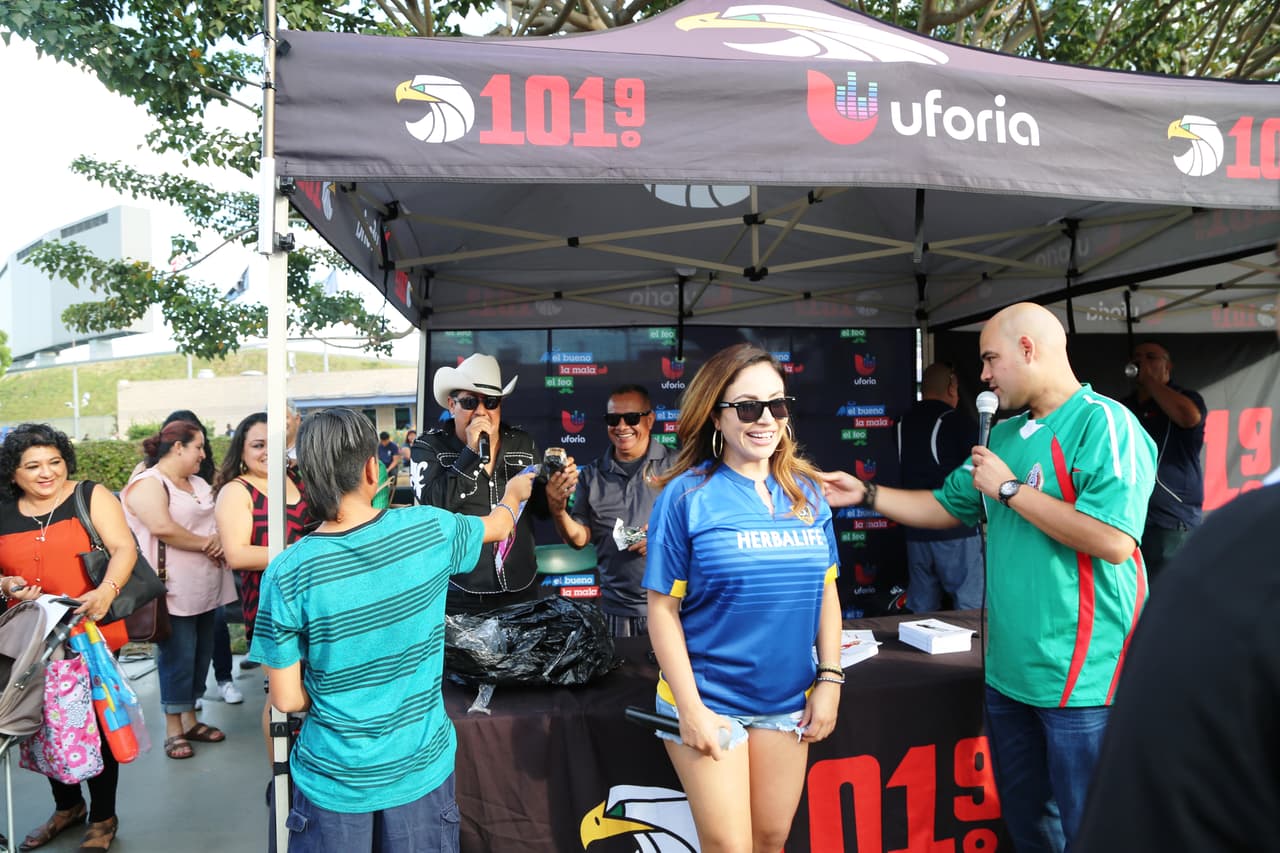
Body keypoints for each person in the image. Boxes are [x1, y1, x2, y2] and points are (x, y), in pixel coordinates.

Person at [820, 303, 1156, 853]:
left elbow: (1113, 540)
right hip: (1007, 678)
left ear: (1029, 349)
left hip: (1085, 685)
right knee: (1031, 829)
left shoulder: (1105, 422)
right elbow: (945, 506)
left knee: (1095, 830)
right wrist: (867, 493)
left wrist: (1009, 491)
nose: (983, 375)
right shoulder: (1003, 438)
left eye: (990, 359)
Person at [247, 407, 534, 852]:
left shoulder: (287, 571)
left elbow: (284, 699)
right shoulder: (427, 528)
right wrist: (514, 492)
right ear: (370, 468)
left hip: (334, 780)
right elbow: (499, 526)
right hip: (419, 769)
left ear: (306, 476)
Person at [643, 343, 841, 853]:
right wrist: (689, 709)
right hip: (711, 700)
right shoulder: (685, 497)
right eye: (748, 407)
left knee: (771, 840)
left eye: (777, 405)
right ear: (716, 414)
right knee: (730, 848)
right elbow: (661, 610)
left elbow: (827, 591)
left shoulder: (808, 493)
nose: (766, 420)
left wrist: (831, 679)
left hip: (786, 703)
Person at [0, 423, 136, 852]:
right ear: (13, 473)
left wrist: (105, 591)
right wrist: (5, 585)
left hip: (89, 633)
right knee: (44, 728)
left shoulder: (90, 495)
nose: (47, 473)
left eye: (55, 462)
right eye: (33, 466)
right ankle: (68, 806)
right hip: (30, 641)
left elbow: (124, 549)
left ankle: (103, 816)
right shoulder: (2, 509)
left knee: (95, 726)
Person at [412, 353, 570, 614]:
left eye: (491, 402)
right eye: (470, 402)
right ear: (451, 405)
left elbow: (541, 510)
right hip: (458, 590)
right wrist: (471, 455)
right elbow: (432, 507)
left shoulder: (522, 443)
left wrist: (556, 495)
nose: (482, 411)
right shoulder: (429, 447)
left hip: (520, 586)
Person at [123, 420, 236, 761]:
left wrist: (219, 538)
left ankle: (190, 720)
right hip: (172, 588)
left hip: (207, 585)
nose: (203, 453)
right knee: (177, 657)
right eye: (198, 446)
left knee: (201, 653)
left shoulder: (198, 482)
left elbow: (216, 521)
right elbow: (162, 528)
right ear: (178, 448)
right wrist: (208, 544)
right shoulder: (148, 483)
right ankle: (174, 728)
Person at [551, 384, 671, 637]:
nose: (622, 426)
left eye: (632, 418)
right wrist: (558, 509)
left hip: (672, 608)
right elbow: (579, 539)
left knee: (671, 677)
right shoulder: (592, 475)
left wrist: (664, 538)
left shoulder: (678, 466)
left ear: (650, 420)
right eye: (613, 419)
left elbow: (704, 528)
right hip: (615, 612)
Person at [896, 362, 985, 612]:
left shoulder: (901, 422)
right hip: (955, 530)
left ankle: (917, 652)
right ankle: (974, 652)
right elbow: (980, 470)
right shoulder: (958, 422)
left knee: (921, 609)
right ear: (952, 387)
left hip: (915, 530)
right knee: (971, 607)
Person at [1122, 341, 1206, 585]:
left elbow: (1189, 417)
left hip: (1171, 518)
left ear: (1167, 366)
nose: (1141, 362)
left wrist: (1150, 381)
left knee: (1172, 594)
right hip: (1132, 516)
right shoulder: (1126, 407)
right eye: (1137, 357)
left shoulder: (1187, 398)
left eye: (1151, 357)